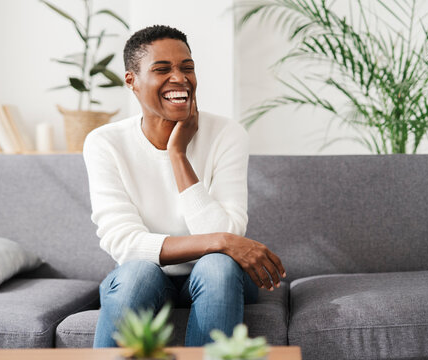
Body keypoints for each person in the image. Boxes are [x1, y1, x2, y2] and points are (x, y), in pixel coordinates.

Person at [83, 25, 286, 348]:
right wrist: (221, 241)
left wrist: (177, 155)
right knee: (137, 273)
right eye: (162, 69)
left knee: (217, 265)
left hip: (221, 278)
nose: (179, 78)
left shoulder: (226, 134)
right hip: (149, 277)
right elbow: (124, 243)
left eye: (187, 68)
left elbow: (227, 232)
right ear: (131, 81)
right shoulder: (105, 143)